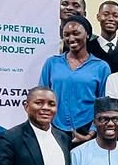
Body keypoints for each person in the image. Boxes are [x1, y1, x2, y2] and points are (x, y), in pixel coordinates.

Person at [38, 14, 111, 142]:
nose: (71, 38)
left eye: (76, 33)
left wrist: (92, 132)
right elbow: (42, 96)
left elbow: (103, 104)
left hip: (87, 130)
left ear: (87, 34)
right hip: (55, 129)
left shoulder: (101, 67)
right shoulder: (52, 63)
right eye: (66, 34)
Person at [90, 0, 118, 73]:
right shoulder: (88, 48)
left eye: (115, 16)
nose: (110, 19)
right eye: (106, 14)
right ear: (98, 17)